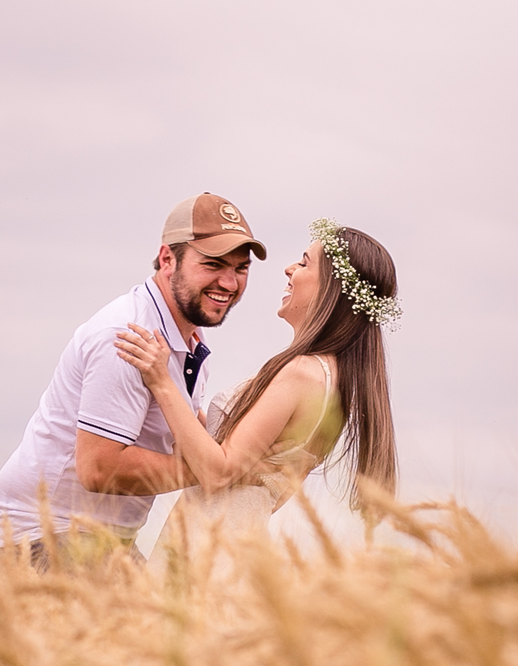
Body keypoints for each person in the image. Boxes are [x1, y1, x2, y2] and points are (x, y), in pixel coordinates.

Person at [0, 193, 267, 570]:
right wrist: (217, 469)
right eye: (213, 264)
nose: (229, 282)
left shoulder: (188, 339)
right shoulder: (126, 337)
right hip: (44, 539)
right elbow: (99, 468)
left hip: (101, 539)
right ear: (168, 259)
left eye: (241, 268)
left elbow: (187, 433)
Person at [115, 218, 400, 564]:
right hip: (231, 549)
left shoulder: (301, 375)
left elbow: (217, 472)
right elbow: (267, 489)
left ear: (331, 289)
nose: (289, 269)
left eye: (304, 263)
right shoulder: (332, 383)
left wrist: (161, 380)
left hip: (207, 553)